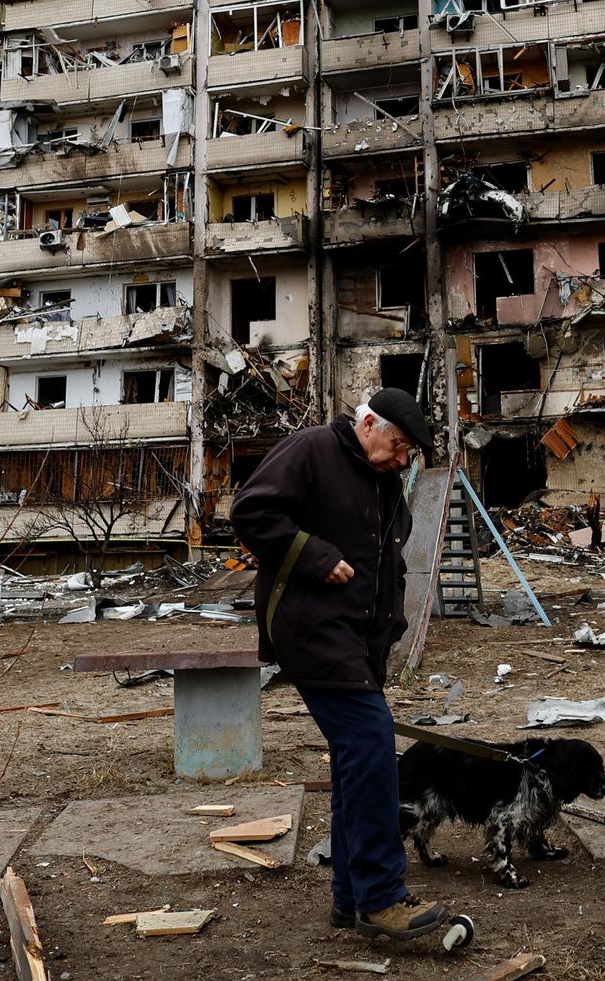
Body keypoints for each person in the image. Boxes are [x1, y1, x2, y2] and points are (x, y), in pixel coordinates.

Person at [232, 388, 449, 942]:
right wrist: (316, 556)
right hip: (311, 630)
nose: (401, 460)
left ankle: (350, 899)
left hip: (357, 642)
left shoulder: (382, 480)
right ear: (368, 422)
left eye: (408, 456)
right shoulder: (311, 450)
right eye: (397, 446)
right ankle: (382, 897)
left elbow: (385, 563)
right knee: (374, 748)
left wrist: (390, 627)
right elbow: (251, 511)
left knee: (358, 759)